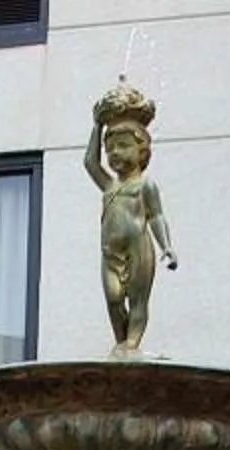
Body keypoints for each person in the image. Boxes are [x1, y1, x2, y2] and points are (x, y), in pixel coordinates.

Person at [86, 88, 178, 357]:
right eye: (110, 147)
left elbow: (157, 216)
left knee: (138, 300)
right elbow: (89, 162)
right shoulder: (108, 185)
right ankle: (121, 341)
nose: (114, 153)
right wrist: (97, 125)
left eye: (123, 146)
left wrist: (167, 247)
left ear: (142, 151)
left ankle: (131, 344)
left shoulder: (145, 185)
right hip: (110, 253)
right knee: (114, 299)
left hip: (139, 248)